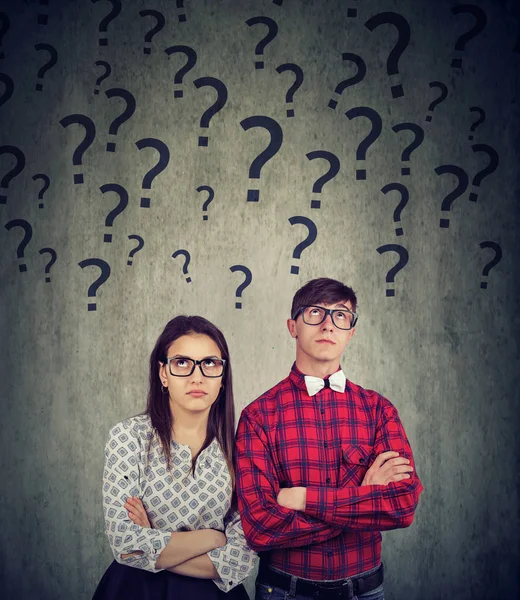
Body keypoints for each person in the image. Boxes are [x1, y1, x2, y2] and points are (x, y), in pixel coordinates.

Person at [235, 278, 424, 600]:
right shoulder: (258, 416)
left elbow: (402, 506)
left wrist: (304, 499)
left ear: (351, 331)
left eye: (340, 315)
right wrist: (364, 497)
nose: (327, 325)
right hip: (284, 591)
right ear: (293, 326)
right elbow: (261, 528)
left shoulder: (379, 410)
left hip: (364, 590)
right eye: (314, 313)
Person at [92, 315, 258, 600]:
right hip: (137, 591)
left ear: (222, 377)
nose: (197, 377)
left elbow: (239, 561)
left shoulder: (240, 446)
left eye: (210, 363)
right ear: (163, 374)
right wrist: (212, 538)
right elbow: (126, 544)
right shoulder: (129, 437)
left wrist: (156, 541)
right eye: (182, 362)